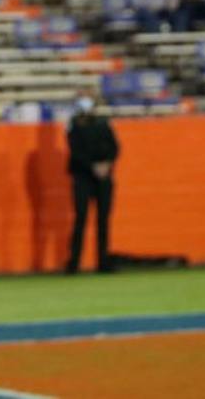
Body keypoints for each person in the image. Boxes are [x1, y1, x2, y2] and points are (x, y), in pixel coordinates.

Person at [65, 90, 118, 274]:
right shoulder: (73, 125)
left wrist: (106, 165)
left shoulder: (103, 124)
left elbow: (115, 147)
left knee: (103, 220)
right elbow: (75, 152)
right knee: (80, 219)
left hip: (103, 177)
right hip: (82, 177)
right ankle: (74, 262)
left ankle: (103, 261)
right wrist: (93, 167)